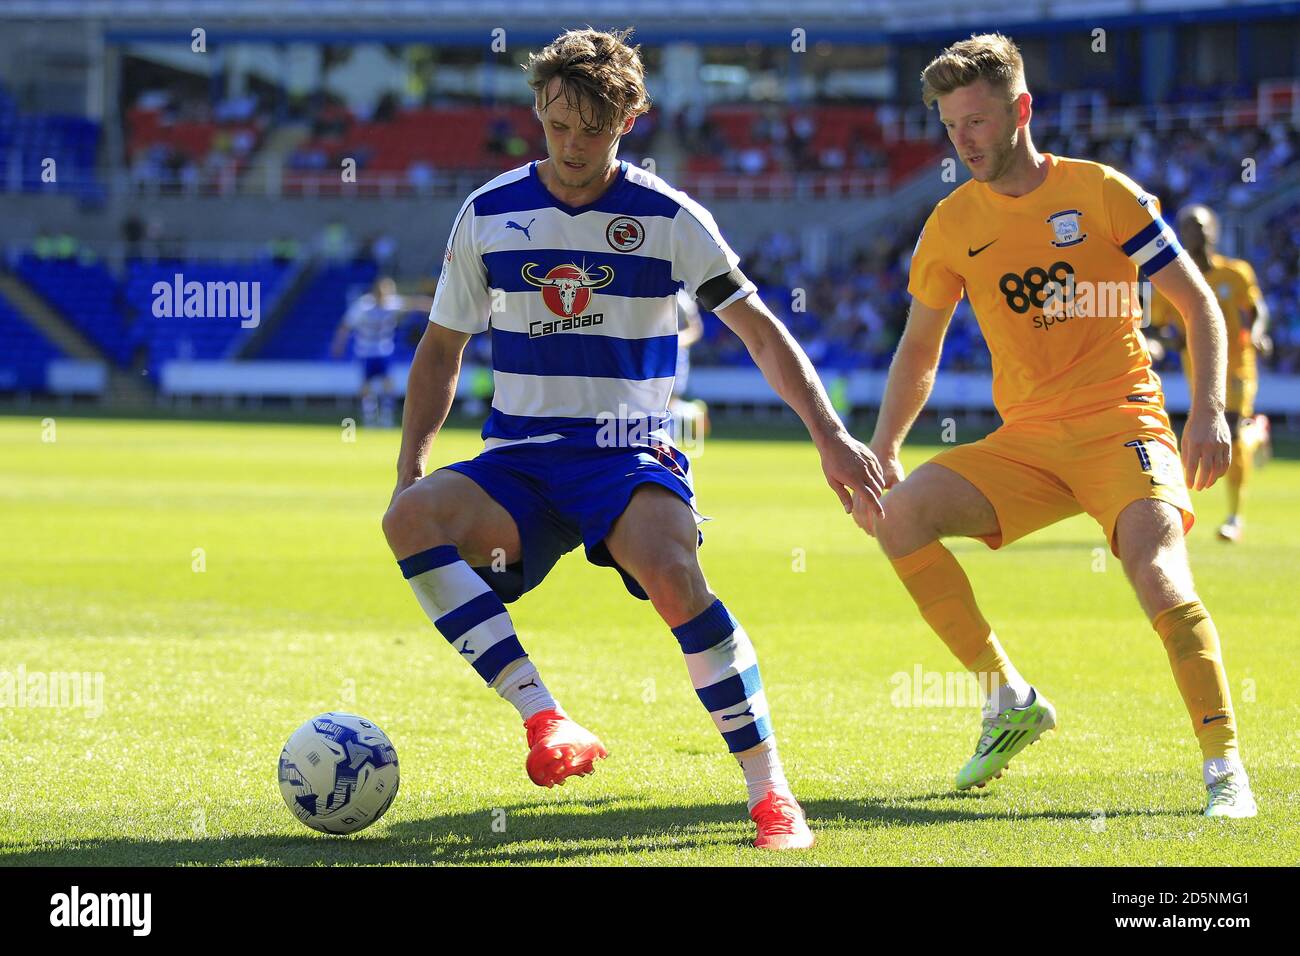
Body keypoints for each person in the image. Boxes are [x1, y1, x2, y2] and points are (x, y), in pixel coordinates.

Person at [381, 27, 883, 849]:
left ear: (631, 118)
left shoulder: (668, 216)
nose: (573, 147)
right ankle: (545, 720)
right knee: (409, 519)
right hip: (520, 460)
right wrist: (412, 469)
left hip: (626, 453)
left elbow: (758, 329)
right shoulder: (489, 213)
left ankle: (772, 795)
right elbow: (443, 347)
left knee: (674, 576)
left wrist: (829, 435)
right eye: (558, 125)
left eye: (594, 129)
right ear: (537, 110)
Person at [855, 33, 1256, 818]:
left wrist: (1206, 411)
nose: (963, 140)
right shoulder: (948, 223)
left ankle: (1224, 771)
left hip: (1122, 424)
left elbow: (1195, 302)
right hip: (1029, 443)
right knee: (901, 518)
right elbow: (919, 350)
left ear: (1021, 111)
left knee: (1158, 572)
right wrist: (884, 450)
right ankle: (1008, 700)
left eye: (975, 120)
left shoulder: (1102, 190)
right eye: (949, 125)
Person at [1147, 205, 1272, 542]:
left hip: (1238, 366)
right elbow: (1158, 327)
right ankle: (1257, 432)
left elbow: (1257, 308)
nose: (1196, 234)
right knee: (1225, 434)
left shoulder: (1236, 273)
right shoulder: (1171, 281)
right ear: (1179, 234)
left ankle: (1234, 518)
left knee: (1228, 430)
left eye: (1201, 227)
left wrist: (1258, 333)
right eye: (1188, 228)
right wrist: (1165, 342)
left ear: (1214, 232)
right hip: (1199, 372)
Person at [331, 277, 432, 428]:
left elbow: (415, 303)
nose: (385, 296)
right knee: (366, 387)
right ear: (375, 292)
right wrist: (338, 344)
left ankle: (386, 418)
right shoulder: (363, 306)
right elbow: (345, 325)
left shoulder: (391, 303)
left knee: (388, 386)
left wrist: (435, 307)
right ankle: (370, 419)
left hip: (383, 351)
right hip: (366, 352)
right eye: (382, 292)